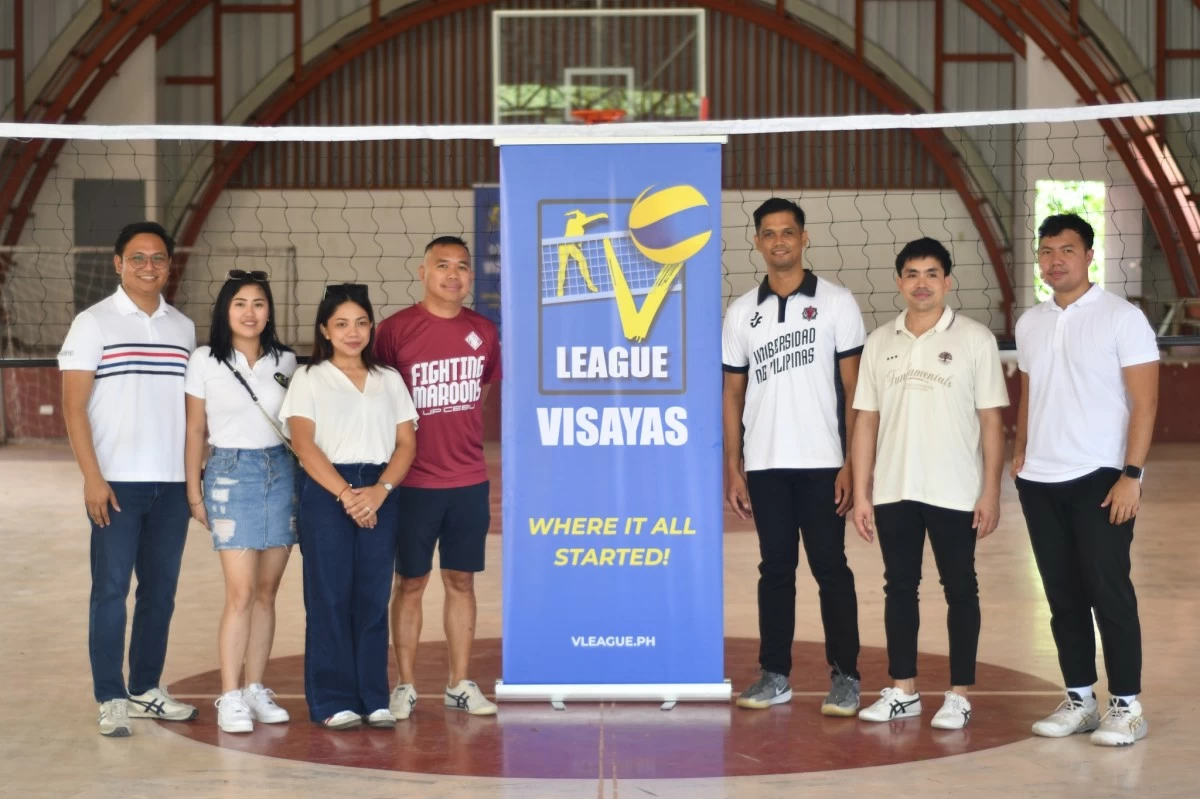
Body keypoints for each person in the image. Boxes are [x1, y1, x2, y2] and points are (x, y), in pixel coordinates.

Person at [1013, 214, 1159, 746]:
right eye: (1047, 250)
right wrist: (1020, 450)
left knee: (1108, 591)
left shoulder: (1123, 318)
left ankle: (1126, 705)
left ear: (1089, 255)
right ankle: (1080, 699)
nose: (1056, 260)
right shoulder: (1030, 323)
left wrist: (1132, 475)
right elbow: (1030, 393)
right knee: (1063, 597)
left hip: (1101, 475)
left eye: (1067, 250)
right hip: (1040, 480)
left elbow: (1145, 402)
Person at [850, 237, 1008, 729]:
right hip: (895, 489)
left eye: (932, 273)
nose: (922, 283)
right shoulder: (880, 342)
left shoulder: (976, 339)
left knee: (961, 587)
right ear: (899, 282)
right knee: (899, 588)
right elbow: (866, 421)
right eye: (912, 274)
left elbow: (991, 422)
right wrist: (861, 492)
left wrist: (991, 490)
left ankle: (959, 694)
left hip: (956, 490)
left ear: (947, 281)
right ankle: (904, 690)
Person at [722, 198, 866, 715]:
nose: (778, 240)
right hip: (765, 465)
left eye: (788, 231)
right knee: (775, 568)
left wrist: (852, 462)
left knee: (831, 568)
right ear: (757, 242)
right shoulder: (741, 312)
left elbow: (855, 390)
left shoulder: (836, 302)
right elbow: (732, 394)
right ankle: (774, 673)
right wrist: (733, 468)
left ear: (805, 238)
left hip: (824, 461)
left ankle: (846, 676)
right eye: (768, 233)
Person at [58, 221, 199, 736]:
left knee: (160, 593)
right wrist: (92, 479)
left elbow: (191, 414)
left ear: (169, 265)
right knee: (111, 591)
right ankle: (110, 696)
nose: (148, 267)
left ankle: (144, 689)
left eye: (158, 258)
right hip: (116, 484)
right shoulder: (92, 324)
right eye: (137, 258)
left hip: (170, 487)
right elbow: (74, 409)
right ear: (118, 263)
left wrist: (191, 482)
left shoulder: (182, 328)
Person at [279, 283, 418, 730]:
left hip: (381, 491)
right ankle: (332, 699)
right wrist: (346, 494)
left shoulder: (388, 379)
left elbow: (406, 443)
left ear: (371, 326)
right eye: (341, 324)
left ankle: (373, 696)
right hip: (326, 490)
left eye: (360, 322)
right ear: (324, 329)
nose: (352, 332)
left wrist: (381, 490)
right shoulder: (309, 377)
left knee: (372, 598)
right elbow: (303, 443)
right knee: (329, 597)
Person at [375, 236, 501, 719]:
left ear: (471, 277)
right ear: (422, 271)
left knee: (462, 581)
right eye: (442, 265)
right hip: (411, 481)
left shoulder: (484, 331)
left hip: (468, 479)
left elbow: (483, 392)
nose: (453, 275)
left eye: (463, 267)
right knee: (410, 582)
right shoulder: (394, 330)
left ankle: (459, 683)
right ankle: (405, 684)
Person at [183, 270, 298, 734]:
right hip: (230, 474)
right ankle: (230, 696)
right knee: (241, 593)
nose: (250, 313)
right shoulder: (205, 359)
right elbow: (194, 430)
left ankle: (255, 688)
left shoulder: (286, 360)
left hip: (283, 472)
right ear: (225, 311)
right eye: (240, 304)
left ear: (269, 311)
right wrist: (194, 492)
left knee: (268, 593)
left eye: (259, 304)